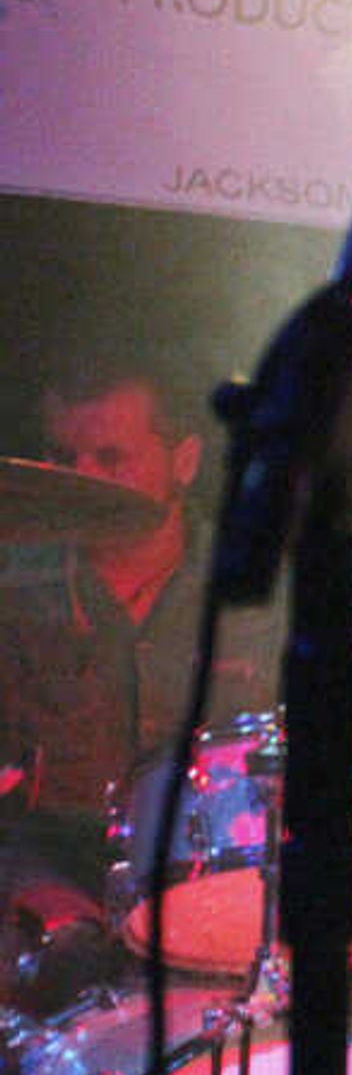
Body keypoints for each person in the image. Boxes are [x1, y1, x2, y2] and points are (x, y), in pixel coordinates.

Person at [0, 357, 272, 994]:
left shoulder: (264, 591)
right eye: (63, 459)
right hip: (46, 870)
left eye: (111, 457)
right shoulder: (11, 589)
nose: (83, 481)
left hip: (222, 884)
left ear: (184, 461)